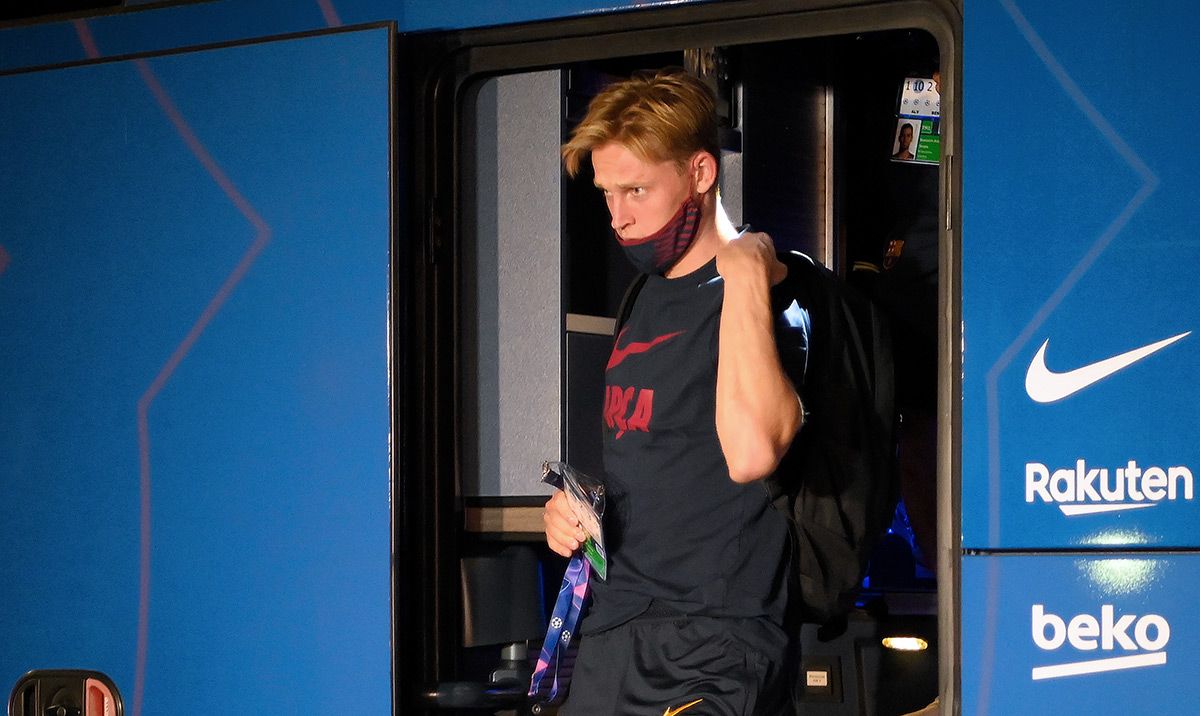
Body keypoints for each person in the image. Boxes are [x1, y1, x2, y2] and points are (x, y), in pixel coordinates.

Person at [543, 69, 805, 715]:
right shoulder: (642, 297)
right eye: (607, 194)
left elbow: (751, 455)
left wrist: (743, 273)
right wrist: (577, 513)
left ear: (700, 173)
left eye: (636, 190)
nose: (618, 217)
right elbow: (657, 457)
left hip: (716, 641)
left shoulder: (770, 295)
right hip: (614, 631)